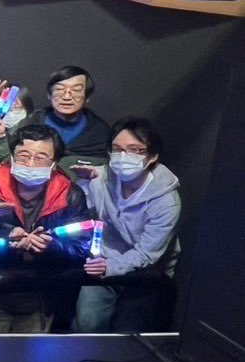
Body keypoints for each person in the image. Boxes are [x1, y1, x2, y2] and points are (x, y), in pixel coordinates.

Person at [0, 125, 91, 334]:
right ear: (12, 157)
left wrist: (51, 246)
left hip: (43, 297)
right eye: (23, 156)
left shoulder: (70, 194)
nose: (31, 164)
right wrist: (7, 241)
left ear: (54, 163)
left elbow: (81, 247)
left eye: (41, 158)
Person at [72, 118, 181, 335]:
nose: (123, 157)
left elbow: (147, 254)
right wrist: (82, 183)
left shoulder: (166, 201)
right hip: (103, 260)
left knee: (129, 332)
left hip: (146, 273)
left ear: (152, 156)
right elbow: (84, 216)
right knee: (86, 324)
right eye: (117, 149)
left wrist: (111, 266)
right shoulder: (100, 179)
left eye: (134, 150)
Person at [0, 65, 110, 170]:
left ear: (87, 97)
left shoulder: (101, 132)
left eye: (76, 90)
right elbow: (7, 160)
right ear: (49, 95)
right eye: (59, 89)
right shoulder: (30, 123)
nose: (67, 97)